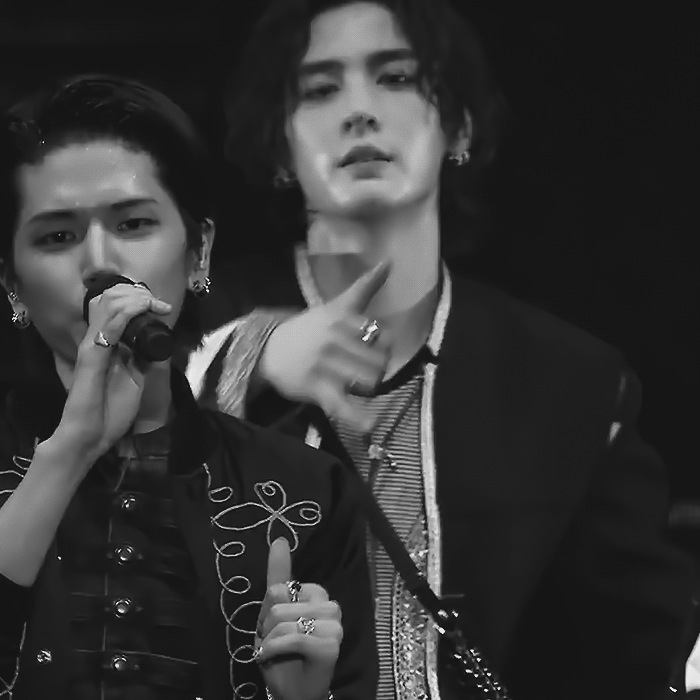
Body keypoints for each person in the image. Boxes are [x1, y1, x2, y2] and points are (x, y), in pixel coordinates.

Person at [186, 1, 696, 699]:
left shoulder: (566, 382)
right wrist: (256, 359)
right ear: (278, 147)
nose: (360, 111)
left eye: (395, 78)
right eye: (320, 89)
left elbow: (640, 647)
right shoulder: (189, 327)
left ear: (459, 126)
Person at [0, 74, 378, 700]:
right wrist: (69, 451)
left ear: (199, 253)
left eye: (133, 223)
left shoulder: (305, 488)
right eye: (57, 236)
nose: (100, 262)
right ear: (12, 286)